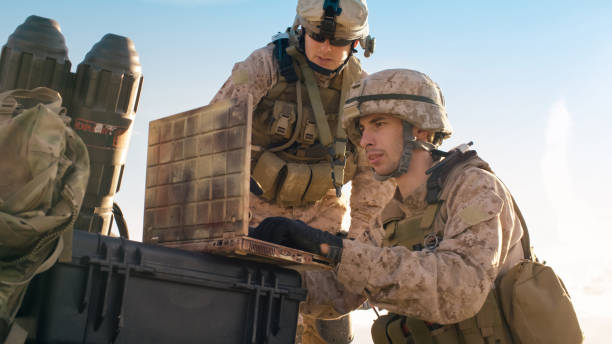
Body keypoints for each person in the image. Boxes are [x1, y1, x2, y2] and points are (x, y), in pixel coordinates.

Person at [251, 69, 528, 343]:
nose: (364, 141)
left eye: (379, 124)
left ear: (420, 128)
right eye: (362, 129)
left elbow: (460, 287)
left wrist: (333, 248)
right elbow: (338, 292)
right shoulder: (392, 215)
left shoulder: (474, 187)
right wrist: (263, 267)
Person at [211, 1, 394, 342]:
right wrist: (220, 222)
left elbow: (375, 175)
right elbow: (216, 132)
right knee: (249, 323)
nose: (326, 48)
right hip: (254, 219)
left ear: (357, 44)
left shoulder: (364, 93)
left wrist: (357, 246)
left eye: (339, 41)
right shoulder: (265, 65)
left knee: (326, 327)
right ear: (301, 30)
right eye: (317, 36)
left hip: (321, 224)